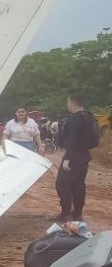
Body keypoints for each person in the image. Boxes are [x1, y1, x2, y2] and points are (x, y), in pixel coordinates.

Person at [54, 94, 95, 222]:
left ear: (72, 103)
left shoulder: (74, 118)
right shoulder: (90, 117)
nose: (67, 105)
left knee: (62, 184)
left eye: (68, 102)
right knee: (79, 185)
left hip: (73, 156)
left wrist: (67, 159)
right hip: (84, 155)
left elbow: (72, 140)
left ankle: (66, 213)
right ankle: (78, 214)